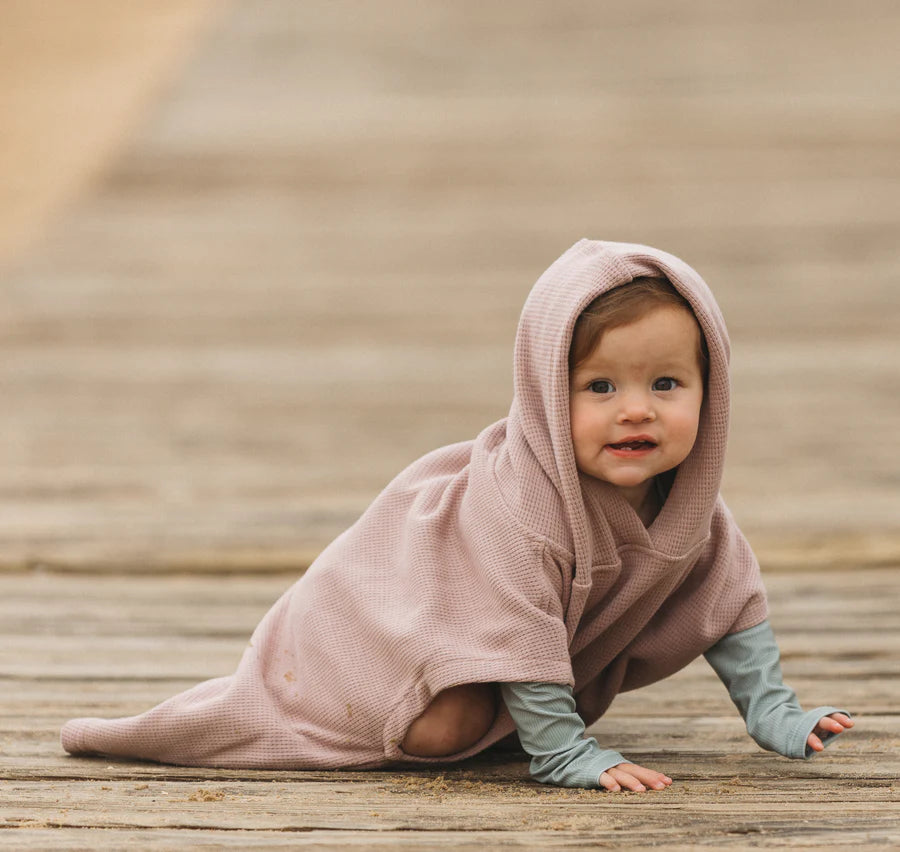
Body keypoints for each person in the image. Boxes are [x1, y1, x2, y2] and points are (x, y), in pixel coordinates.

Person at [62, 239, 852, 791]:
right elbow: (514, 622)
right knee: (438, 728)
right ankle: (315, 698)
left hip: (512, 644)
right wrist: (562, 751)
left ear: (710, 390)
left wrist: (775, 713)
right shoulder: (526, 508)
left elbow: (732, 606)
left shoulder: (691, 511)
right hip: (384, 617)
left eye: (667, 385)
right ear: (547, 392)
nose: (635, 411)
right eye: (599, 387)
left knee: (470, 722)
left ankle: (521, 711)